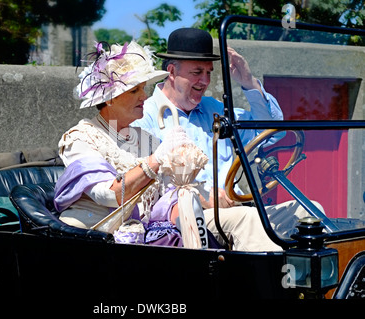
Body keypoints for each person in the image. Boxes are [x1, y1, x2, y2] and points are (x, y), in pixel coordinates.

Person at [132, 28, 313, 250]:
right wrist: (200, 197)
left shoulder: (215, 110)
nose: (205, 81)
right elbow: (143, 184)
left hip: (232, 212)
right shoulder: (145, 116)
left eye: (209, 72)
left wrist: (249, 83)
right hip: (185, 219)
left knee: (309, 211)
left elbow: (270, 134)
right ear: (171, 71)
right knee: (249, 221)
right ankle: (279, 282)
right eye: (197, 72)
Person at [53, 40, 221, 248]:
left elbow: (168, 194)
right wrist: (156, 159)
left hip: (138, 240)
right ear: (109, 99)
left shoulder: (144, 139)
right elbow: (108, 194)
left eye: (143, 88)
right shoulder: (80, 138)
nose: (144, 96)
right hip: (89, 242)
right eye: (134, 91)